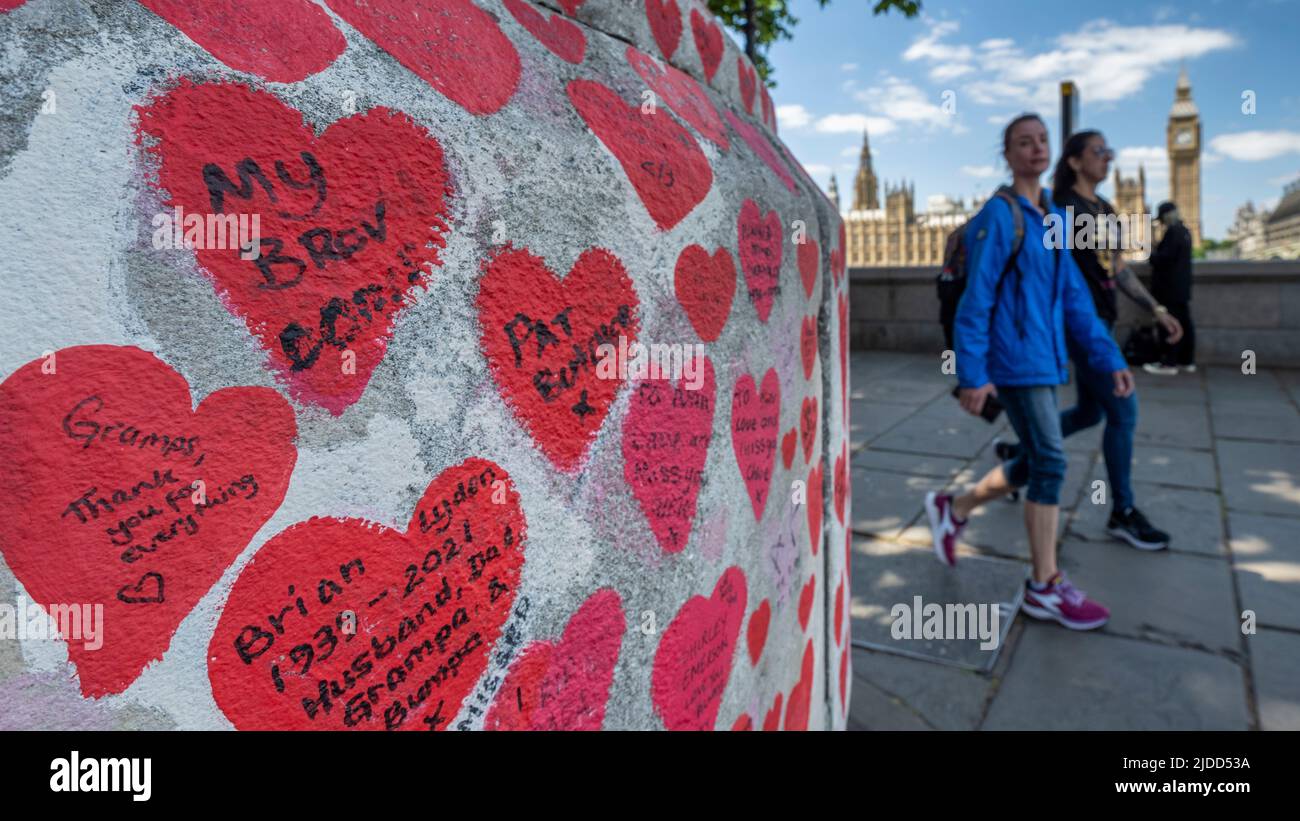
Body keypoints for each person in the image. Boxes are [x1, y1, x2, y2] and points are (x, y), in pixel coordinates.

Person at [924, 113, 1135, 631]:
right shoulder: (1000, 217)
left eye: (1042, 140)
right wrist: (972, 375)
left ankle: (955, 508)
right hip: (1012, 362)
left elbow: (1075, 300)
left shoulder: (1055, 221)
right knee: (1052, 464)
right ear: (1010, 154)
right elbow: (977, 302)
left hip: (1045, 357)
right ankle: (1044, 585)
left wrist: (1109, 358)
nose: (1036, 148)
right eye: (1025, 142)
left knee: (1041, 458)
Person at [994, 130, 1180, 550]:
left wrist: (1157, 309)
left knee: (1089, 413)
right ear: (1076, 161)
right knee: (1124, 413)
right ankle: (1122, 512)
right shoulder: (1060, 209)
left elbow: (1118, 270)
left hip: (1105, 323)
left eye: (1110, 152)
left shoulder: (1107, 210)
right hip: (1081, 327)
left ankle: (1016, 454)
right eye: (1099, 152)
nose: (1108, 159)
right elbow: (1047, 275)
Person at [1145, 202, 1195, 375]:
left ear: (1167, 216)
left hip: (1169, 289)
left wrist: (1151, 254)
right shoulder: (1185, 231)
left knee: (1169, 325)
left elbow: (1162, 259)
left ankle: (1169, 363)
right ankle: (1186, 361)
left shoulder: (1173, 232)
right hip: (1182, 287)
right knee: (1185, 324)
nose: (1162, 223)